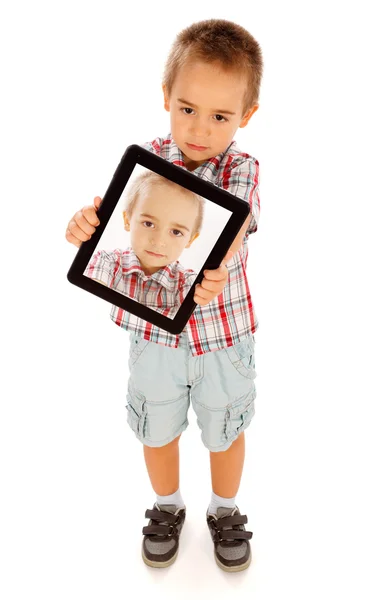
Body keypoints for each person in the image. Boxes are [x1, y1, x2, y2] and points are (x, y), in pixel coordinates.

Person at [65, 18, 263, 573]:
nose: (200, 128)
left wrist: (220, 262)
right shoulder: (146, 161)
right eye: (187, 108)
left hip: (224, 332)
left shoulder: (241, 168)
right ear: (166, 99)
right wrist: (86, 226)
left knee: (225, 427)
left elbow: (238, 222)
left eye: (221, 116)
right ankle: (166, 505)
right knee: (157, 424)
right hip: (154, 333)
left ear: (245, 117)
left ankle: (224, 509)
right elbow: (112, 223)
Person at [84, 170, 205, 318]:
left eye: (176, 232)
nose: (159, 241)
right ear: (127, 220)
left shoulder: (190, 285)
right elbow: (90, 305)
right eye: (148, 224)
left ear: (191, 239)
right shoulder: (105, 262)